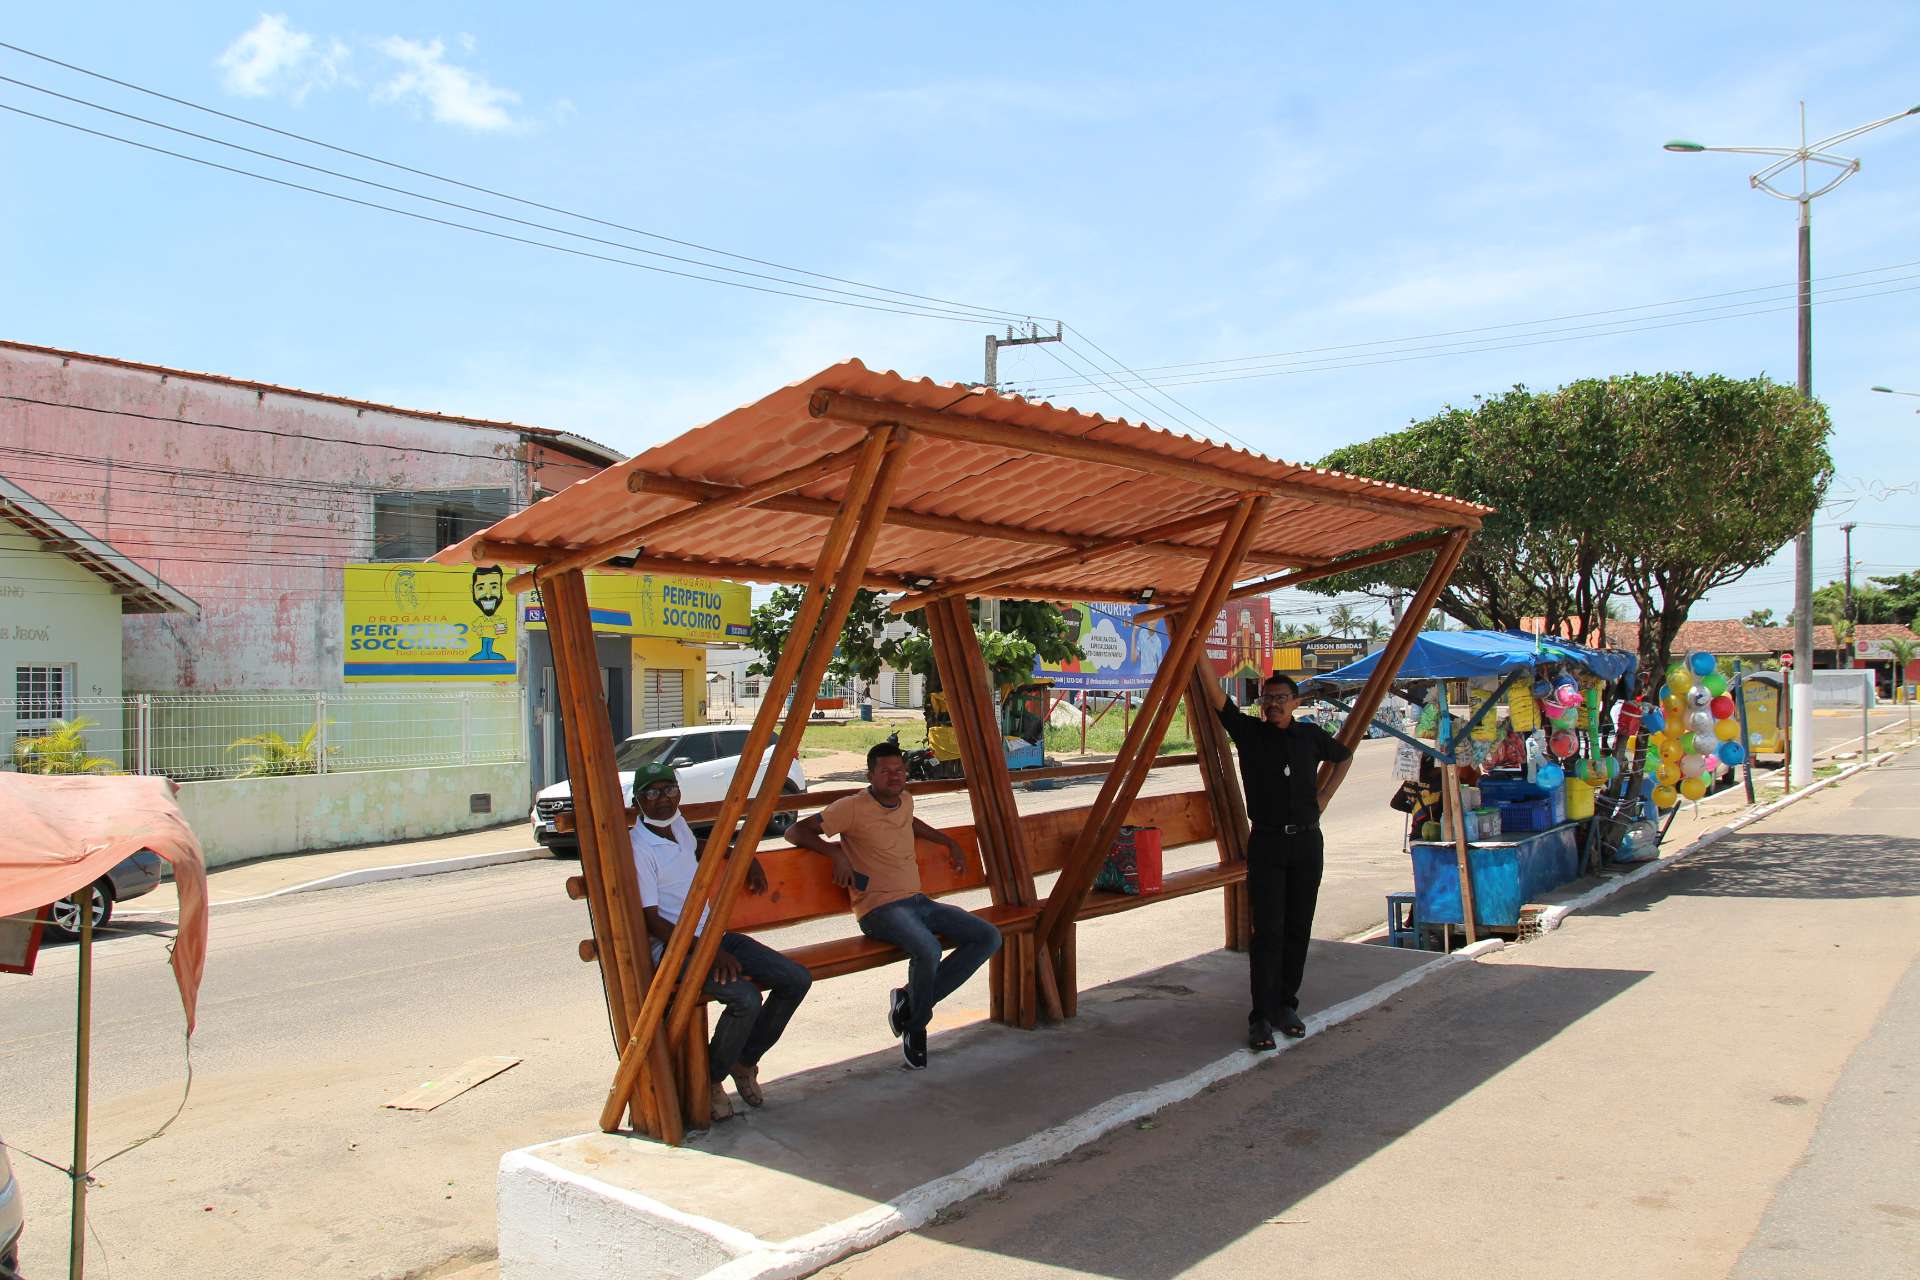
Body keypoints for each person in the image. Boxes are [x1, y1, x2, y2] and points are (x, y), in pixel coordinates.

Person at [784, 740, 999, 1070]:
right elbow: (796, 831)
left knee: (988, 937)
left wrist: (949, 842)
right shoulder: (852, 807)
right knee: (928, 949)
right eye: (885, 771)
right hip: (879, 909)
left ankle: (911, 1002)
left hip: (918, 902)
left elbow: (910, 822)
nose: (894, 777)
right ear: (870, 775)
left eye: (899, 770)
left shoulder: (905, 800)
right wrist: (836, 853)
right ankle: (916, 1026)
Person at [629, 761, 812, 1124]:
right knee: (745, 998)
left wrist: (740, 857)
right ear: (638, 802)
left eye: (669, 790)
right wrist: (706, 952)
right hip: (675, 951)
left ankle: (743, 1062)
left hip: (713, 938)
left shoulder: (675, 824)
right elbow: (651, 920)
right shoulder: (640, 848)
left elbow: (697, 846)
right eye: (652, 793)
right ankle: (712, 1080)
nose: (663, 799)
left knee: (795, 978)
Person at [1204, 672, 1353, 1050]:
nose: (1273, 703)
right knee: (1267, 933)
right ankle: (1260, 1017)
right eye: (1267, 697)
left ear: (1296, 702)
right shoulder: (1250, 732)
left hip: (1306, 843)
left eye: (1281, 697)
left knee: (1297, 929)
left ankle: (1286, 1005)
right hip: (1267, 843)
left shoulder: (1309, 736)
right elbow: (1219, 697)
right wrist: (1196, 645)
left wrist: (1325, 798)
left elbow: (1343, 756)